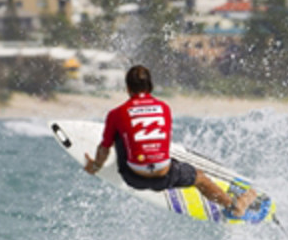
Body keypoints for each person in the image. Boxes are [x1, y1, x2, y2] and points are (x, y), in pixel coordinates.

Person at [84, 65, 257, 217]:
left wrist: (96, 166)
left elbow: (104, 148)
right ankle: (233, 205)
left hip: (133, 177)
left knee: (119, 133)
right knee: (200, 178)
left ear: (128, 88)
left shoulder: (116, 113)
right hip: (164, 175)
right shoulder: (164, 108)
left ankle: (132, 157)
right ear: (150, 87)